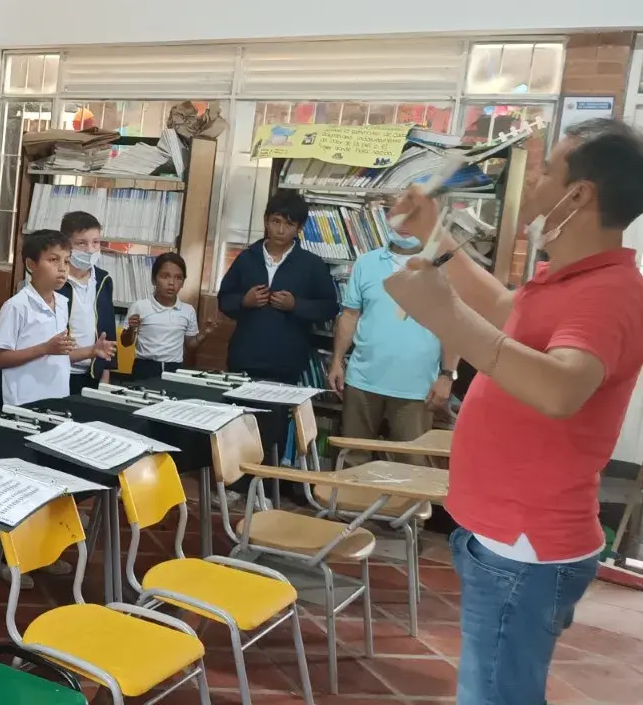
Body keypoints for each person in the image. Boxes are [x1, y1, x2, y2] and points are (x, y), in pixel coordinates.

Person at [384, 118, 643, 705]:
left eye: (547, 171)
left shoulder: (608, 293)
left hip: (526, 544)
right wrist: (433, 235)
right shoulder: (569, 278)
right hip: (508, 536)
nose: (533, 183)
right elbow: (505, 312)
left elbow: (561, 389)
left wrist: (444, 316)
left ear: (579, 195)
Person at [327, 224, 457, 467]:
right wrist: (336, 361)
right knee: (353, 460)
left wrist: (447, 375)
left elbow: (453, 326)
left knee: (413, 465)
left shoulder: (443, 269)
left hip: (417, 388)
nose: (404, 225)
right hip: (362, 381)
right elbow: (349, 315)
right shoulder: (366, 263)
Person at [216, 190, 339, 383]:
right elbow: (224, 300)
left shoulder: (312, 265)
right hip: (244, 359)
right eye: (276, 221)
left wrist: (295, 305)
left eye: (289, 224)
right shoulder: (247, 259)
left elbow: (329, 308)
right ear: (266, 221)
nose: (281, 230)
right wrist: (244, 301)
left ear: (299, 227)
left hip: (287, 364)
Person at [0, 229, 116, 406]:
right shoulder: (17, 306)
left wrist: (92, 351)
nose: (62, 268)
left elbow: (59, 355)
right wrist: (44, 348)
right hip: (25, 401)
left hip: (58, 398)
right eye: (53, 260)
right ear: (31, 264)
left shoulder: (63, 303)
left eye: (67, 261)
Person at [120, 253, 218, 382]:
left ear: (183, 282)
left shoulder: (188, 311)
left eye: (178, 278)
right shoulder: (140, 306)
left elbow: (190, 345)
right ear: (154, 279)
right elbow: (125, 343)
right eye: (165, 276)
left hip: (174, 369)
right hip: (144, 367)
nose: (171, 283)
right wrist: (131, 329)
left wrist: (204, 333)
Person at [56, 211, 117, 386]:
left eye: (95, 242)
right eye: (81, 243)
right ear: (66, 245)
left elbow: (108, 329)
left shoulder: (103, 280)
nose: (90, 250)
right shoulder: (57, 281)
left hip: (93, 373)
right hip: (60, 372)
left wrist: (106, 373)